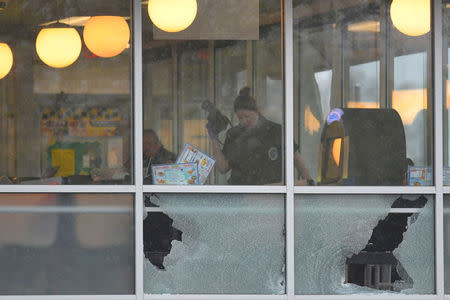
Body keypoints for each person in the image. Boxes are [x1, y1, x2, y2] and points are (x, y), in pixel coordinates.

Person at [207, 87, 312, 185]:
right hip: (242, 196)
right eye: (240, 118)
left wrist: (309, 183)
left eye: (247, 116)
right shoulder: (234, 135)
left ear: (257, 111)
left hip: (273, 195)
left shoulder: (276, 131)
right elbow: (223, 167)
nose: (244, 121)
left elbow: (296, 159)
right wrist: (214, 139)